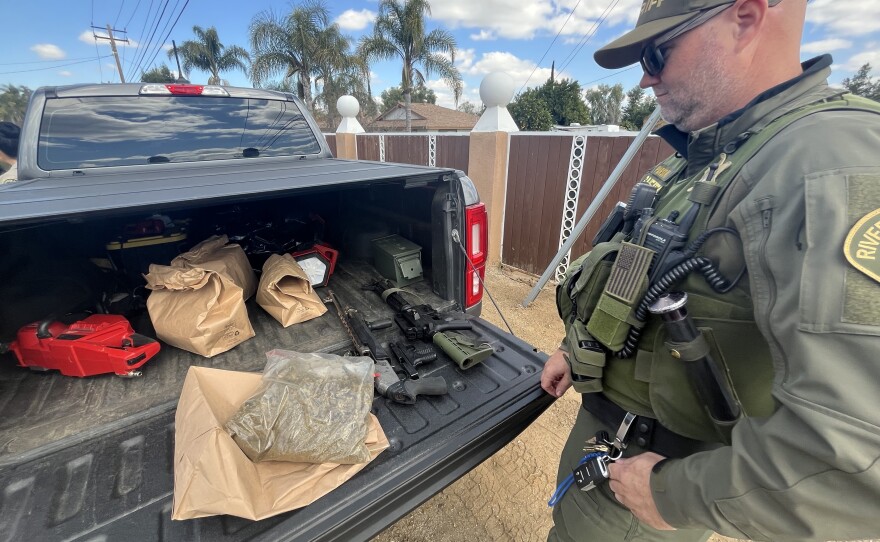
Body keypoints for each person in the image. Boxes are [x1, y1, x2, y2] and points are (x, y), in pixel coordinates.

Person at [542, 0, 880, 541]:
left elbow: (858, 458)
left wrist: (673, 495)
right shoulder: (711, 152)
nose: (647, 76)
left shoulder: (830, 162)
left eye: (658, 51)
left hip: (650, 484)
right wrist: (578, 343)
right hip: (609, 446)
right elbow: (640, 276)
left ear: (745, 16)